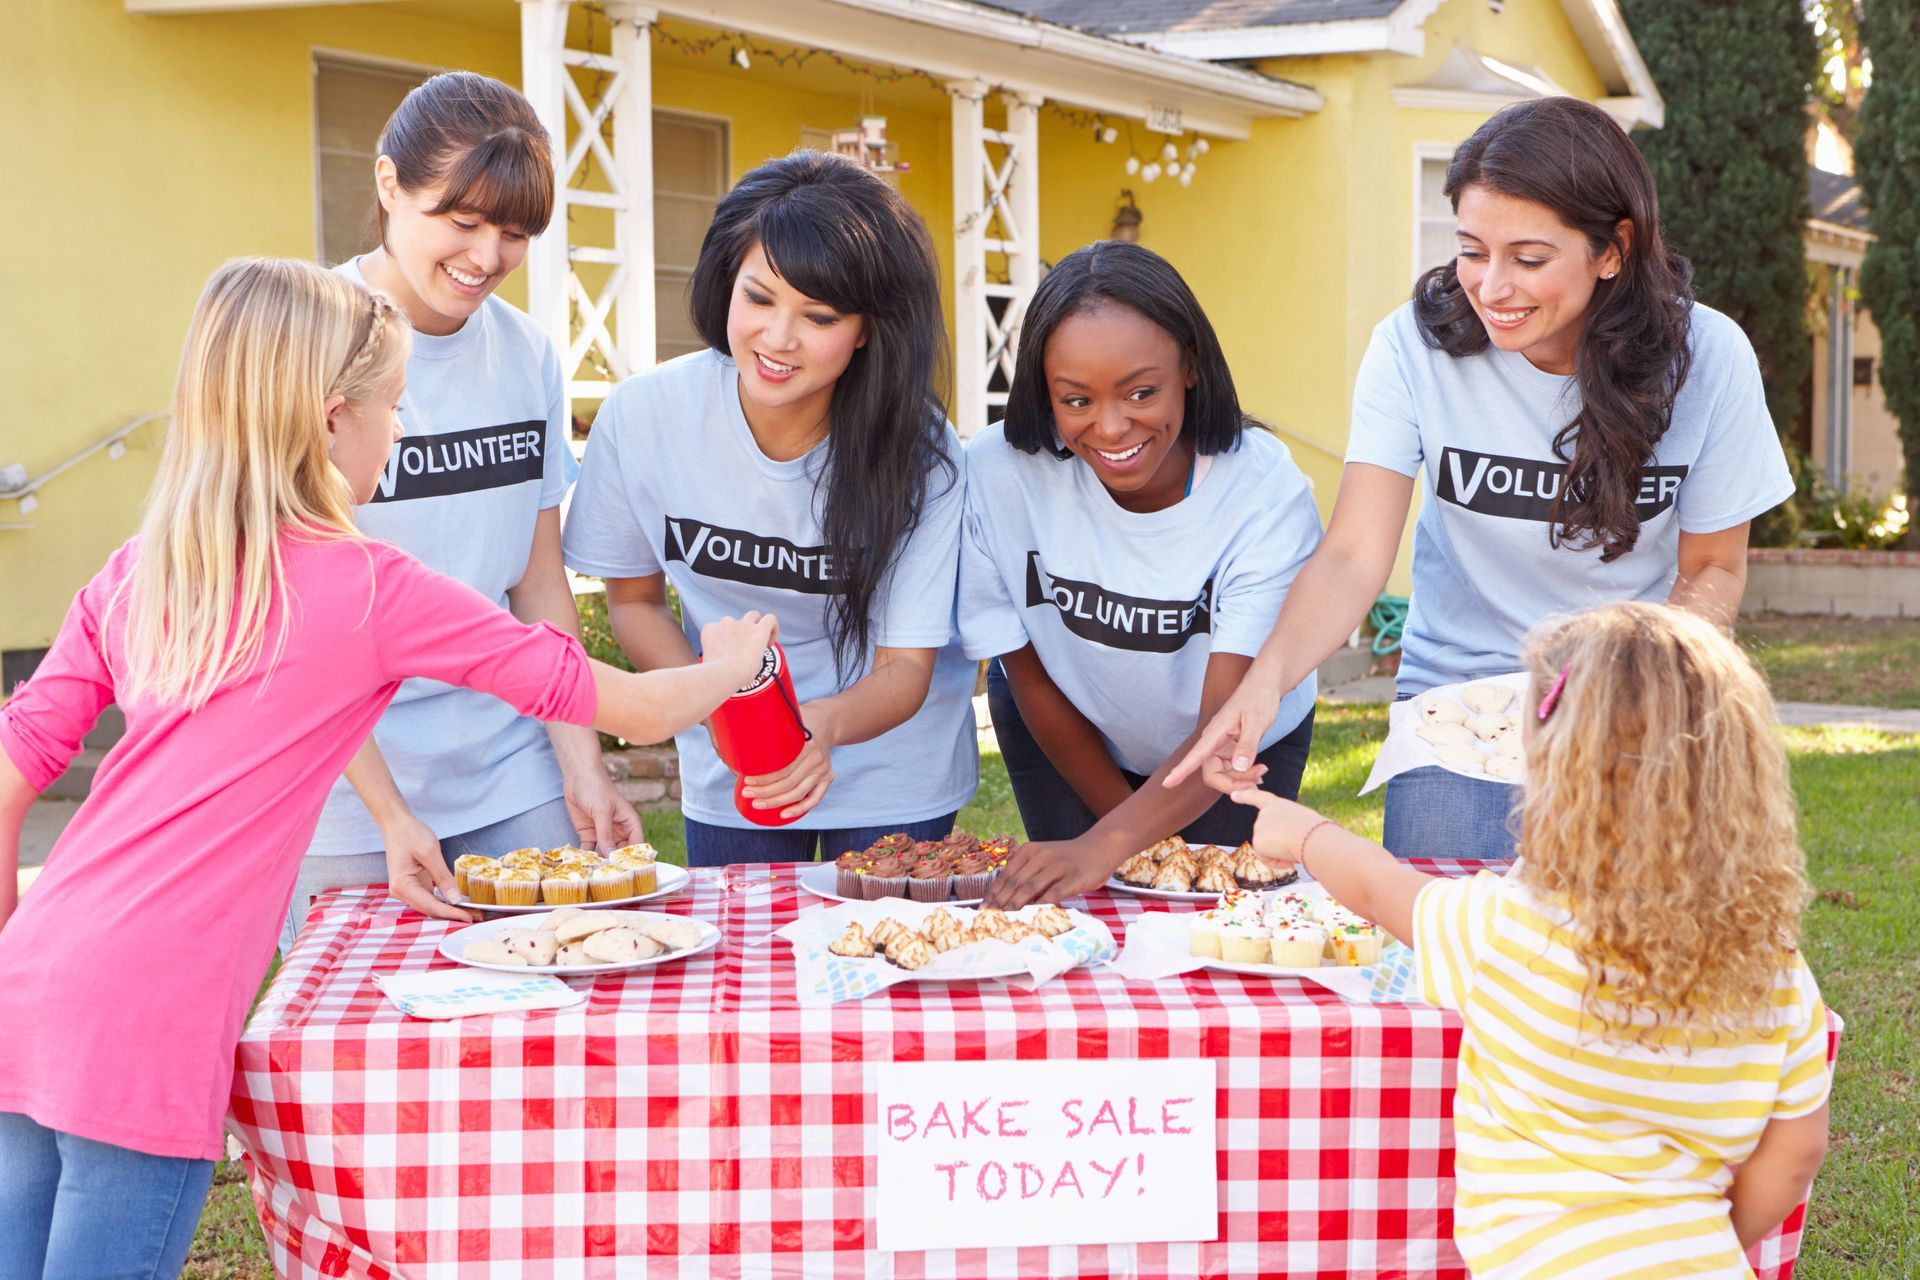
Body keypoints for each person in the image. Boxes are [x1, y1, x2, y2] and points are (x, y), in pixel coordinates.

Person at [0, 258, 776, 1277]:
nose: (399, 432)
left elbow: (18, 757)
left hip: (35, 974)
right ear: (331, 422)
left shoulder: (145, 566)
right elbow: (625, 705)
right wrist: (731, 667)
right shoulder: (372, 585)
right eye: (394, 408)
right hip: (151, 1017)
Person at [1169, 96, 1795, 859]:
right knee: (1436, 959)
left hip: (1633, 708)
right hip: (1456, 711)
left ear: (1612, 249)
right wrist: (1264, 683)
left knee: (1624, 966)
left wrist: (1628, 693)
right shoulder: (1414, 348)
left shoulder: (1709, 358)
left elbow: (1713, 568)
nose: (1492, 287)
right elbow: (1353, 554)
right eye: (1471, 249)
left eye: (1528, 259)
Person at [1235, 601, 1830, 1279]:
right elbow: (1798, 1153)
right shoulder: (1775, 966)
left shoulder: (1513, 932)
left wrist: (1303, 832)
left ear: (1560, 780)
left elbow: (1380, 890)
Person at [282, 71, 640, 953]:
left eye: (515, 232)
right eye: (463, 220)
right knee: (360, 1050)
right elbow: (289, 617)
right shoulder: (301, 343)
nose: (487, 256)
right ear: (388, 186)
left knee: (556, 1016)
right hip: (342, 786)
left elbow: (538, 580)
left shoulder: (527, 355)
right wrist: (395, 815)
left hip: (506, 764)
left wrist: (581, 764)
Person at [564, 151, 977, 866]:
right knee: (738, 970)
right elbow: (634, 603)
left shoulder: (921, 449)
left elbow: (906, 667)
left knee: (882, 965)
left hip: (892, 768)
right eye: (758, 299)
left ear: (869, 328)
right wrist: (725, 708)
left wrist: (815, 727)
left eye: (818, 316)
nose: (778, 339)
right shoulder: (644, 417)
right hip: (732, 759)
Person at [958, 241, 1322, 908]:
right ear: (1043, 389)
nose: (1112, 425)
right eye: (1076, 400)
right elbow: (1028, 672)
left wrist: (1113, 843)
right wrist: (1117, 842)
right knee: (1088, 913)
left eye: (1141, 391)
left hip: (1232, 742)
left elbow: (1226, 728)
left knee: (1215, 919)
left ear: (1189, 364)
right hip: (1065, 724)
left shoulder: (1264, 491)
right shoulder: (992, 474)